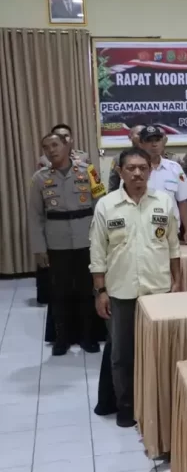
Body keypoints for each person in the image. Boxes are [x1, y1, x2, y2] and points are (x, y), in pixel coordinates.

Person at [90, 147, 180, 428]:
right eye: (131, 168)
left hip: (158, 291)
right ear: (120, 171)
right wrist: (100, 291)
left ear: (150, 171)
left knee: (159, 352)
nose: (137, 173)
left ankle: (159, 405)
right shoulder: (106, 205)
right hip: (121, 292)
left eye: (143, 168)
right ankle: (126, 406)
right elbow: (97, 253)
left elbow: (173, 247)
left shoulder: (164, 202)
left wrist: (177, 282)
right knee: (122, 355)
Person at [28, 133, 105, 355]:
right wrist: (39, 248)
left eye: (55, 145)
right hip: (57, 242)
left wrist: (104, 240)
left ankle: (88, 337)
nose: (51, 150)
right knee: (59, 292)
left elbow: (101, 204)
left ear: (67, 145)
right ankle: (62, 338)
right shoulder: (39, 178)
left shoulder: (88, 171)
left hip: (87, 239)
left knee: (87, 290)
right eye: (46, 147)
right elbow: (35, 216)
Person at [139, 126, 187, 244]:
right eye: (149, 141)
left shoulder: (174, 168)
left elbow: (182, 202)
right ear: (141, 144)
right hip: (143, 233)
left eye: (157, 140)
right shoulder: (135, 170)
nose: (154, 144)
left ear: (163, 142)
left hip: (171, 232)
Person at [108, 124, 144, 192]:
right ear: (130, 137)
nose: (142, 137)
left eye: (144, 134)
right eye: (139, 134)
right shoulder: (119, 158)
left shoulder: (153, 156)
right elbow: (113, 186)